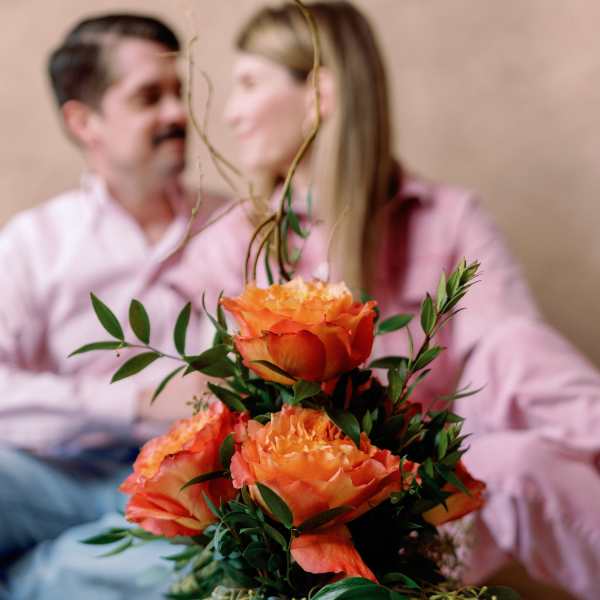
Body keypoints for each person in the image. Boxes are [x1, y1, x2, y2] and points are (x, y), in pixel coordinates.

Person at [211, 2, 600, 598]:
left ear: (318, 95)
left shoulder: (446, 217)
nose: (231, 113)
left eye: (247, 84)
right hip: (314, 528)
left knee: (514, 362)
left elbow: (510, 359)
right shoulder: (237, 241)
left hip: (442, 497)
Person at [0, 13, 223, 599]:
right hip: (53, 474)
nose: (176, 113)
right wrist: (134, 401)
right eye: (149, 97)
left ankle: (38, 576)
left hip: (188, 494)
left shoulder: (237, 229)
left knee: (206, 571)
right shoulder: (33, 243)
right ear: (84, 121)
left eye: (178, 92)